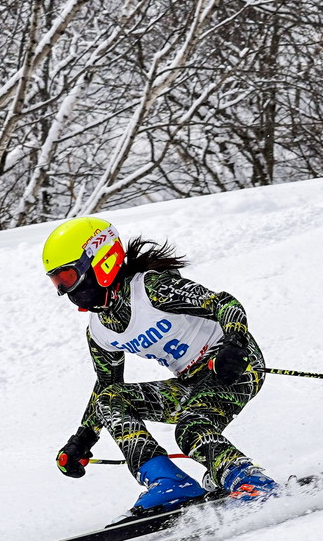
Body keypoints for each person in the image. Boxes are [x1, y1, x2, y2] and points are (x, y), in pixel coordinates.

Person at [42, 215, 280, 514]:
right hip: (190, 382)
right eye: (57, 282)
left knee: (191, 428)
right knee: (111, 398)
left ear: (99, 261)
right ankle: (167, 482)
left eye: (67, 277)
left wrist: (234, 343)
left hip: (231, 365)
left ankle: (248, 479)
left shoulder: (152, 289)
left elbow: (224, 303)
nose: (66, 290)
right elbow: (107, 384)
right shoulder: (99, 329)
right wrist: (83, 438)